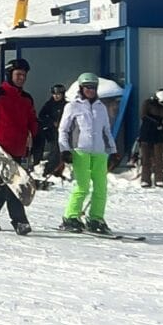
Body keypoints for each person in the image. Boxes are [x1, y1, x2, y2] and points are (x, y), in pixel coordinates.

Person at [0, 66, 36, 232]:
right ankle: (19, 221)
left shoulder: (26, 98)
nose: (21, 78)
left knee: (5, 186)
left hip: (19, 149)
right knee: (13, 185)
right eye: (18, 75)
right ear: (10, 75)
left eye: (24, 75)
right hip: (0, 150)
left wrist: (37, 140)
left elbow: (32, 121)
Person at [58, 75, 118, 232]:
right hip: (81, 151)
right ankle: (71, 217)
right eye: (87, 87)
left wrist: (112, 151)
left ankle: (95, 218)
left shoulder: (101, 107)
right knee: (82, 186)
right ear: (81, 88)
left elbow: (106, 131)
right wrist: (64, 149)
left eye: (93, 87)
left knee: (101, 187)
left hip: (99, 152)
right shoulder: (73, 106)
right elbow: (63, 130)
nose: (91, 90)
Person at [136, 93, 163, 187]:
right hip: (146, 133)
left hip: (159, 135)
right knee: (145, 158)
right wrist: (157, 123)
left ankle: (159, 179)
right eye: (162, 102)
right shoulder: (147, 103)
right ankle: (145, 179)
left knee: (159, 158)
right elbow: (143, 115)